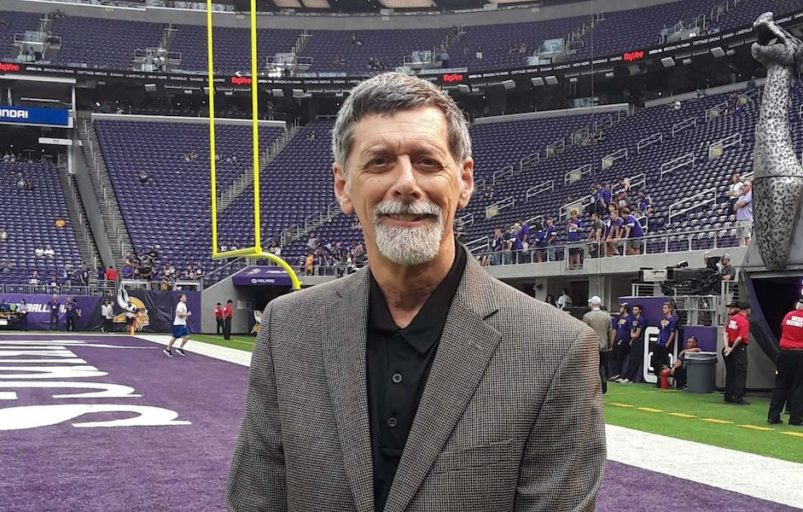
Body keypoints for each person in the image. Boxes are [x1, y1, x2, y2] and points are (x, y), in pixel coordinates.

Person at [227, 72, 605, 511]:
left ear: (463, 181)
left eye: (427, 161)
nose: (406, 183)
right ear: (343, 187)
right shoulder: (287, 328)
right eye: (379, 161)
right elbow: (255, 501)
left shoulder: (556, 347)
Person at [768, 293, 803, 427]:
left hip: (785, 353)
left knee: (781, 385)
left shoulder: (788, 315)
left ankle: (773, 416)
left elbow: (783, 329)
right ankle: (796, 418)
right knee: (799, 386)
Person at [583, 296, 613, 394]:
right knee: (602, 365)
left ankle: (592, 386)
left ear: (592, 304)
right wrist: (610, 345)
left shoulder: (587, 316)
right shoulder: (607, 316)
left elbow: (584, 332)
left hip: (592, 345)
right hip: (604, 345)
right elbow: (610, 332)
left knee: (591, 366)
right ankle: (603, 381)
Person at [723, 301, 751, 405]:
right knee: (740, 373)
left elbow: (725, 333)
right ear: (747, 310)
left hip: (729, 346)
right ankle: (738, 397)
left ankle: (728, 396)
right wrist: (732, 348)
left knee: (730, 373)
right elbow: (740, 337)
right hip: (738, 348)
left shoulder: (732, 319)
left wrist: (727, 347)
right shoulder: (744, 321)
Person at [652, 302, 678, 382]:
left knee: (664, 361)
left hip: (664, 344)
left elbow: (672, 333)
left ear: (670, 309)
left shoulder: (672, 320)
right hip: (659, 342)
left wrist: (667, 343)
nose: (663, 310)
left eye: (665, 308)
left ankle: (663, 380)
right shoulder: (662, 320)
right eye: (663, 308)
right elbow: (660, 329)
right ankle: (658, 377)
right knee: (654, 361)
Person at [622, 304, 648, 383]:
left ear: (640, 310)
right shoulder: (633, 320)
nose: (634, 311)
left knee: (635, 360)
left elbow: (637, 333)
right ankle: (628, 377)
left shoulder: (641, 320)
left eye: (636, 309)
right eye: (633, 309)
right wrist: (632, 338)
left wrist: (633, 337)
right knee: (631, 359)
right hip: (634, 341)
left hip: (639, 342)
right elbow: (632, 331)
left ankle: (630, 378)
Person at [609, 303, 632, 381]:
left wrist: (629, 340)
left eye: (621, 308)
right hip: (618, 339)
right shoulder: (620, 318)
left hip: (624, 340)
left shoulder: (629, 319)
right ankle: (615, 373)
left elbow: (630, 330)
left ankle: (618, 374)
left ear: (625, 309)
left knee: (620, 357)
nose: (620, 309)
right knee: (614, 356)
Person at [735, 180, 753, 247]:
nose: (743, 187)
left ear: (750, 187)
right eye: (743, 185)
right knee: (740, 236)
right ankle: (741, 248)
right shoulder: (742, 196)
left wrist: (738, 204)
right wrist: (738, 204)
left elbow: (742, 204)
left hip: (747, 218)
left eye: (745, 185)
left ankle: (748, 250)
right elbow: (735, 207)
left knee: (747, 236)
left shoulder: (750, 194)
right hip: (739, 218)